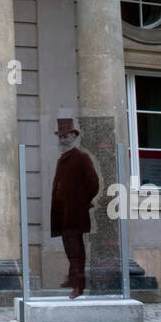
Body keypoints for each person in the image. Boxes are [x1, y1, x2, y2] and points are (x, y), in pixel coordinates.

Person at [49, 117, 100, 299]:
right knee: (69, 247)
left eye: (66, 136)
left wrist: (80, 202)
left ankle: (79, 285)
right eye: (60, 137)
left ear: (73, 136)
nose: (63, 140)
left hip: (75, 213)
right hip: (63, 213)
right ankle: (72, 279)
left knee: (76, 249)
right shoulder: (62, 159)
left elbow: (93, 183)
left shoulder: (81, 157)